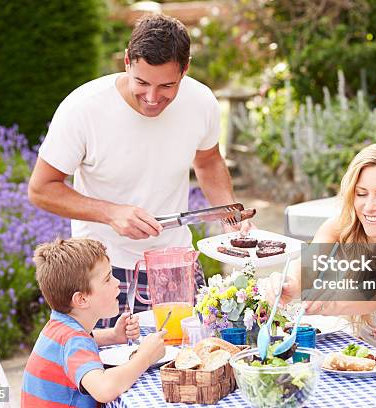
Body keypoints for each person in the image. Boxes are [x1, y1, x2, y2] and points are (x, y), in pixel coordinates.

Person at [28, 14, 250, 327]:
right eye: (142, 82)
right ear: (127, 62)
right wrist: (111, 213)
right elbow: (41, 188)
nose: (152, 97)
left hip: (176, 264)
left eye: (167, 86)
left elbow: (209, 160)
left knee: (189, 365)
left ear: (185, 69)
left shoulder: (201, 102)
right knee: (110, 371)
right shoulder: (83, 109)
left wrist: (228, 214)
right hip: (101, 272)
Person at [265, 140, 376, 372]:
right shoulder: (340, 229)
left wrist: (322, 303)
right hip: (362, 363)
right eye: (361, 193)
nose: (369, 207)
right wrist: (288, 284)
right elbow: (307, 266)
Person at [22, 238, 167, 407]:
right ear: (82, 299)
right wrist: (145, 356)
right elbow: (104, 389)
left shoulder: (60, 327)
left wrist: (113, 336)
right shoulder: (74, 341)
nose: (117, 282)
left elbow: (77, 343)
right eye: (107, 279)